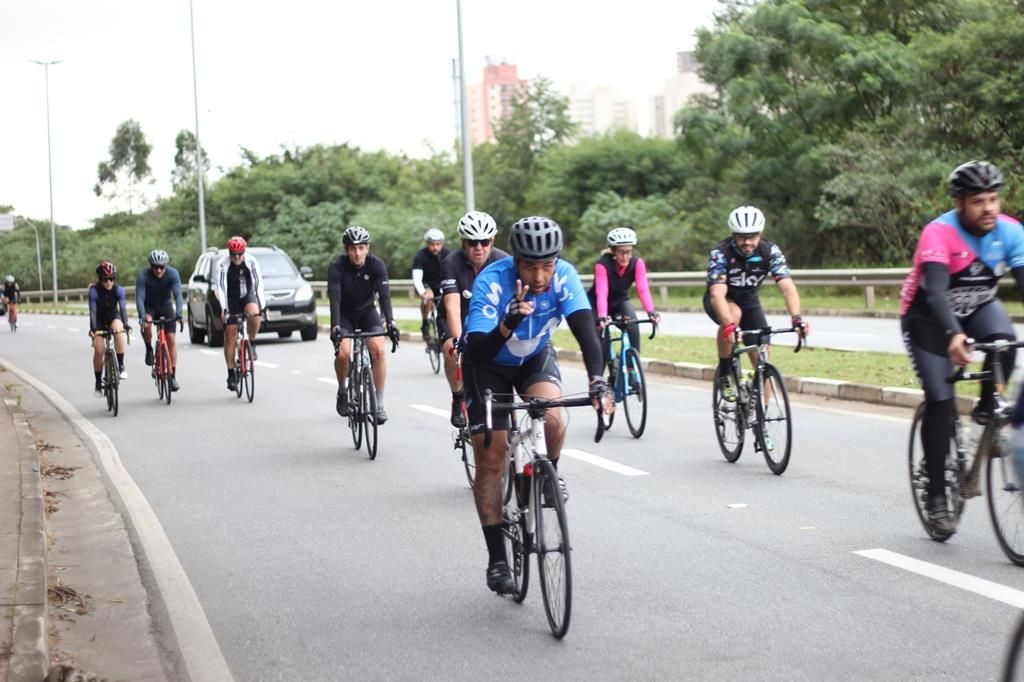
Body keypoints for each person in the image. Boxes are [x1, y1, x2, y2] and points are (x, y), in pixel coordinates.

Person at [461, 216, 612, 595]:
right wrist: (506, 325)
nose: (540, 275)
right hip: (488, 363)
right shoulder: (492, 282)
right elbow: (477, 349)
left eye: (547, 264)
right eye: (530, 266)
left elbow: (584, 326)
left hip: (533, 356)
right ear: (516, 261)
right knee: (492, 454)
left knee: (554, 419)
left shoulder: (564, 276)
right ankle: (497, 559)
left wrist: (597, 380)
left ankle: (545, 475)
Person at [901, 160, 1024, 535]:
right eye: (978, 201)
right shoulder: (939, 233)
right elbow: (936, 293)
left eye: (993, 199)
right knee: (940, 400)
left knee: (1005, 344)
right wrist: (954, 334)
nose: (988, 208)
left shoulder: (1011, 231)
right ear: (959, 204)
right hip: (929, 318)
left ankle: (987, 415)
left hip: (980, 306)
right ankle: (937, 495)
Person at [705, 206, 808, 401]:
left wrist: (797, 319)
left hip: (750, 303)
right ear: (733, 235)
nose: (747, 242)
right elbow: (717, 293)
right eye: (741, 237)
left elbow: (787, 286)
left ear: (760, 234)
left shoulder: (769, 251)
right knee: (733, 314)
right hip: (722, 301)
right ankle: (726, 372)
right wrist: (728, 325)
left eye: (752, 236)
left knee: (762, 361)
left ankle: (762, 420)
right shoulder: (721, 253)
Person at [439, 211, 510, 427]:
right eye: (472, 242)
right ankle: (458, 397)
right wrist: (459, 341)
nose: (478, 247)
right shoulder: (451, 262)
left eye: (484, 241)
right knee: (451, 349)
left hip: (491, 319)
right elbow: (452, 305)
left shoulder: (504, 261)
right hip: (460, 317)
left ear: (492, 241)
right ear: (463, 242)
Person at [328, 226, 400, 424]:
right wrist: (335, 327)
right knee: (343, 353)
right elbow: (334, 299)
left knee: (378, 350)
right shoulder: (337, 266)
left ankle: (379, 404)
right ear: (346, 250)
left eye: (361, 248)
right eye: (352, 248)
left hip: (368, 311)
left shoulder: (376, 265)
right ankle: (343, 389)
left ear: (368, 248)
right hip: (344, 314)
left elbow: (385, 297)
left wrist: (390, 321)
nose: (357, 253)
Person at [587, 227, 661, 370]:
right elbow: (602, 292)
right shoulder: (602, 265)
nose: (626, 257)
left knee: (633, 326)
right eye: (622, 252)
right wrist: (602, 317)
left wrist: (651, 312)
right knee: (601, 341)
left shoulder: (637, 263)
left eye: (629, 252)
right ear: (613, 251)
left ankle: (631, 370)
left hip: (620, 301)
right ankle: (598, 380)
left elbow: (643, 289)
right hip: (598, 304)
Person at [214, 236, 266, 391]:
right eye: (233, 254)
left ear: (244, 252)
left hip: (246, 295)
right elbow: (221, 288)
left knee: (255, 313)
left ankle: (252, 341)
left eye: (239, 254)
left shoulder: (251, 261)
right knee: (230, 334)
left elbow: (258, 285)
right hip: (229, 299)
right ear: (229, 253)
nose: (236, 257)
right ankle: (231, 373)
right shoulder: (222, 264)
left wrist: (263, 307)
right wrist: (224, 309)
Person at [136, 249, 184, 392]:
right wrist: (142, 315)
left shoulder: (173, 274)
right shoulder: (143, 276)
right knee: (148, 322)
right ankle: (149, 349)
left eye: (161, 267)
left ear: (166, 266)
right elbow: (139, 298)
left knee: (171, 339)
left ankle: (172, 376)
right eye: (155, 267)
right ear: (150, 266)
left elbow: (178, 295)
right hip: (149, 306)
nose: (158, 270)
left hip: (166, 305)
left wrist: (179, 314)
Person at [88, 261, 130, 394]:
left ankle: (121, 365)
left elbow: (123, 309)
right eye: (105, 279)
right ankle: (98, 380)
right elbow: (93, 312)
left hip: (113, 316)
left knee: (119, 331)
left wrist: (126, 323)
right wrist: (93, 328)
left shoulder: (119, 290)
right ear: (100, 279)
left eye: (112, 279)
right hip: (99, 320)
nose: (109, 282)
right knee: (99, 350)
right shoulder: (93, 291)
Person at [412, 228, 452, 340]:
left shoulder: (447, 254)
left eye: (438, 244)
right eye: (432, 244)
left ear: (442, 243)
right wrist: (423, 292)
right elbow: (417, 278)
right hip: (426, 284)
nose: (435, 247)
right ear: (427, 244)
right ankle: (425, 324)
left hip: (442, 283)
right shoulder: (420, 255)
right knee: (428, 298)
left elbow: (452, 274)